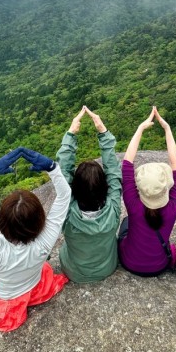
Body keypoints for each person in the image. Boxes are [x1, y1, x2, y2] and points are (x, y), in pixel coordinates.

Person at [0, 147, 71, 332]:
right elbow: (64, 195)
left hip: (5, 299)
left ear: (2, 223)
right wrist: (52, 168)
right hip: (35, 284)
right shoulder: (44, 242)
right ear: (40, 220)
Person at [57, 106, 122, 283]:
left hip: (74, 271)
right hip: (107, 267)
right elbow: (114, 173)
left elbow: (63, 174)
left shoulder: (67, 213)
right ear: (105, 187)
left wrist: (71, 134)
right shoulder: (114, 208)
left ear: (74, 188)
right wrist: (103, 131)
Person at [118, 107, 176, 276]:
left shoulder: (132, 202)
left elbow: (127, 163)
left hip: (128, 262)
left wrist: (140, 128)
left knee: (125, 223)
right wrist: (167, 129)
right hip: (158, 266)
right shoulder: (175, 205)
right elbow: (175, 163)